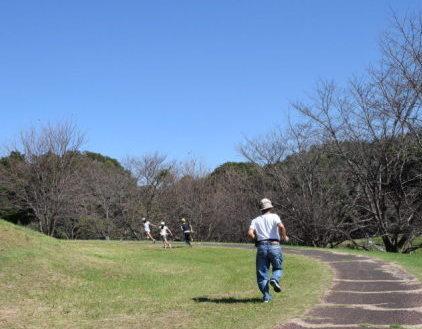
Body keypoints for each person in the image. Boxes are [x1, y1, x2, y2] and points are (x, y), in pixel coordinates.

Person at [247, 198, 289, 303]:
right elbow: (281, 226)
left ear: (261, 209)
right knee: (278, 268)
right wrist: (284, 236)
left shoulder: (255, 220)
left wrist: (256, 239)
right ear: (270, 207)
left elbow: (250, 233)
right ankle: (274, 279)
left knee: (262, 273)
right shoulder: (274, 216)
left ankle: (266, 296)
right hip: (274, 245)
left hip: (261, 246)